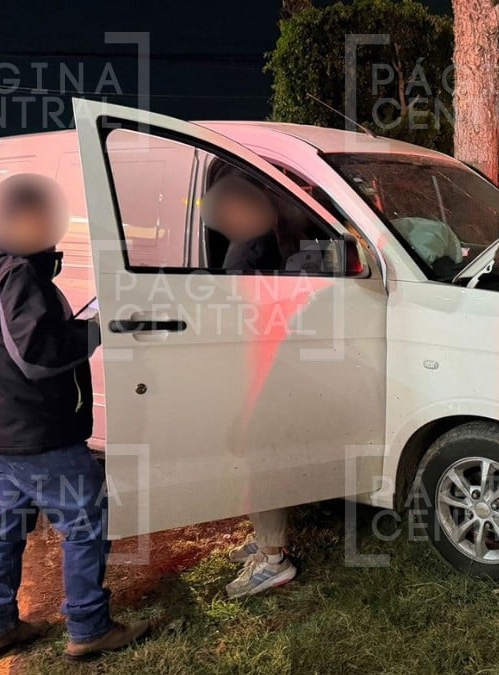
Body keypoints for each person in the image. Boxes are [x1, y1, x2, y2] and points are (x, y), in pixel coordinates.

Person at [0, 174, 148, 663]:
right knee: (85, 524)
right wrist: (94, 332)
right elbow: (36, 355)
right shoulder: (14, 271)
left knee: (5, 526)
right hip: (37, 432)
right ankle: (89, 627)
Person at [200, 160, 299, 598]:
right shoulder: (267, 240)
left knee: (261, 455)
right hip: (265, 363)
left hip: (259, 365)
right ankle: (265, 542)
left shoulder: (250, 248)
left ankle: (274, 559)